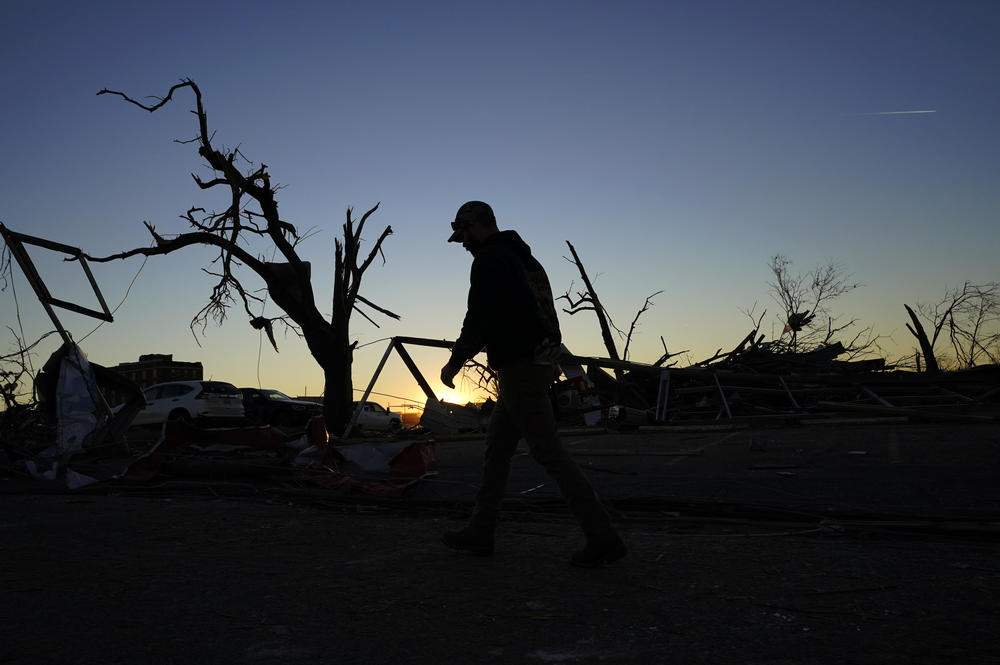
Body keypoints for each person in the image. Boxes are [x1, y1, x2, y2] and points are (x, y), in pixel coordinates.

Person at [440, 201, 626, 567]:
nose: (463, 244)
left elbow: (481, 315)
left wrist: (456, 359)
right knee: (497, 448)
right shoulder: (527, 260)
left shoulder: (491, 259)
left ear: (477, 226)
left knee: (548, 451)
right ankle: (480, 529)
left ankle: (602, 536)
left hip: (520, 366)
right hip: (537, 360)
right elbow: (544, 313)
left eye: (463, 235)